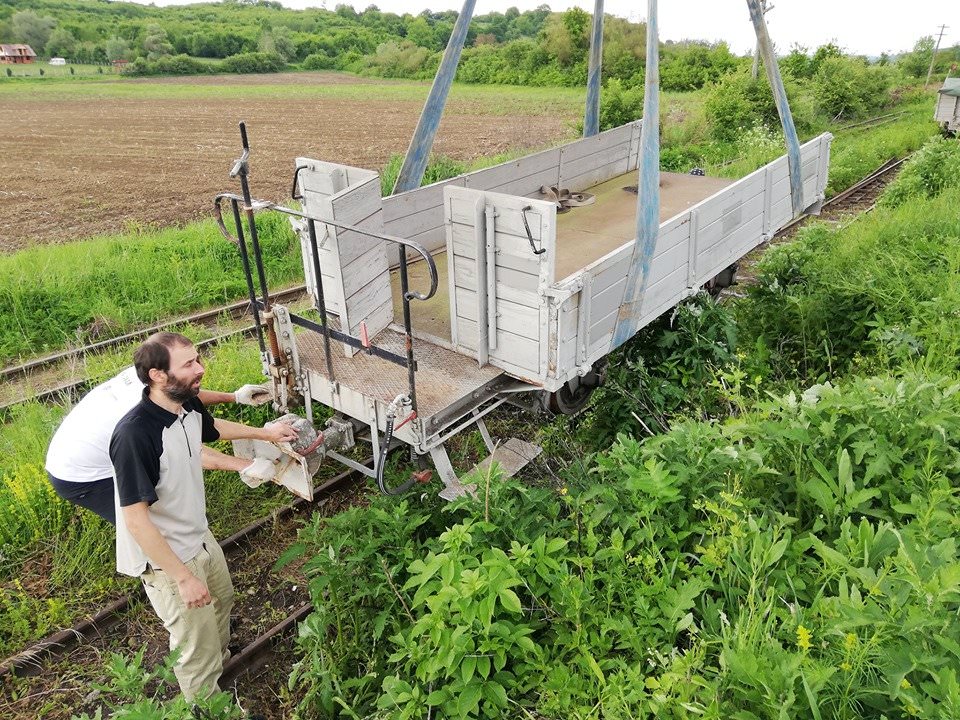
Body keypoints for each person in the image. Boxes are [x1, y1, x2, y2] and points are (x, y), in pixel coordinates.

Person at [109, 332, 294, 701]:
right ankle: (208, 706)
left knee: (222, 604)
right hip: (167, 560)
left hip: (198, 536)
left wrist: (266, 434)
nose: (201, 369)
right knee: (194, 648)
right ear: (157, 376)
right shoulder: (135, 436)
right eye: (189, 364)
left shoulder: (185, 404)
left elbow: (212, 430)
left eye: (198, 359)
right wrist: (182, 578)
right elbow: (136, 520)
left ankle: (221, 664)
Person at [45, 365, 274, 525]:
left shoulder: (151, 376)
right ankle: (166, 579)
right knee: (151, 524)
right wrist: (244, 465)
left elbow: (187, 397)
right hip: (82, 475)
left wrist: (233, 397)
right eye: (189, 364)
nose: (198, 369)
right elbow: (189, 450)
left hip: (86, 443)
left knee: (171, 507)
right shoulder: (140, 419)